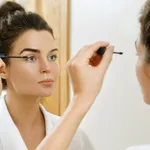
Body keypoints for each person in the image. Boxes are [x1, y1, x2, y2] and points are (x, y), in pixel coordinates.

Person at [0, 1, 115, 150]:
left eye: (52, 57)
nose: (46, 67)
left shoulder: (76, 139)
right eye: (31, 58)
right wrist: (81, 98)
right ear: (3, 69)